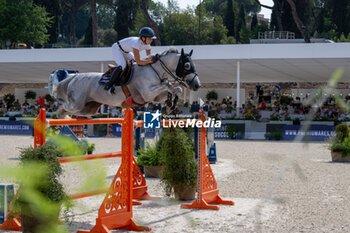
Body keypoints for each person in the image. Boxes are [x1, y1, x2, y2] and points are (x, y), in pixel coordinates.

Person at [104, 27, 158, 92]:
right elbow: (139, 61)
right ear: (143, 38)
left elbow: (149, 57)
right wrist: (150, 61)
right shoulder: (136, 43)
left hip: (126, 52)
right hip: (117, 49)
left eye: (151, 39)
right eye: (149, 38)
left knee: (133, 63)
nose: (151, 40)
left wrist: (155, 58)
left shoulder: (148, 45)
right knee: (123, 66)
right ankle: (109, 85)